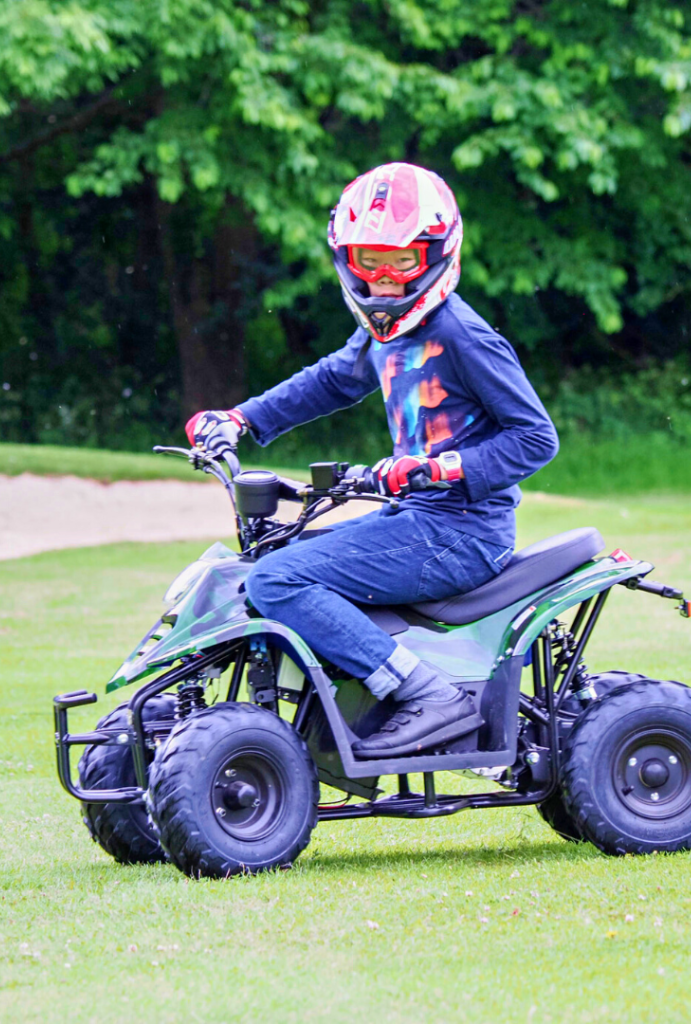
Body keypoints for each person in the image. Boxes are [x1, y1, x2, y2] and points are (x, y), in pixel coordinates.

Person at [185, 162, 558, 757]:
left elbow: (536, 438)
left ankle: (425, 695)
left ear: (438, 254)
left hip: (462, 531)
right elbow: (333, 380)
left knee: (279, 580)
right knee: (273, 558)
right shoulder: (386, 334)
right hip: (416, 520)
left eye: (401, 262)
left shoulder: (462, 335)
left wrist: (442, 469)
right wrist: (241, 419)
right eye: (368, 260)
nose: (384, 279)